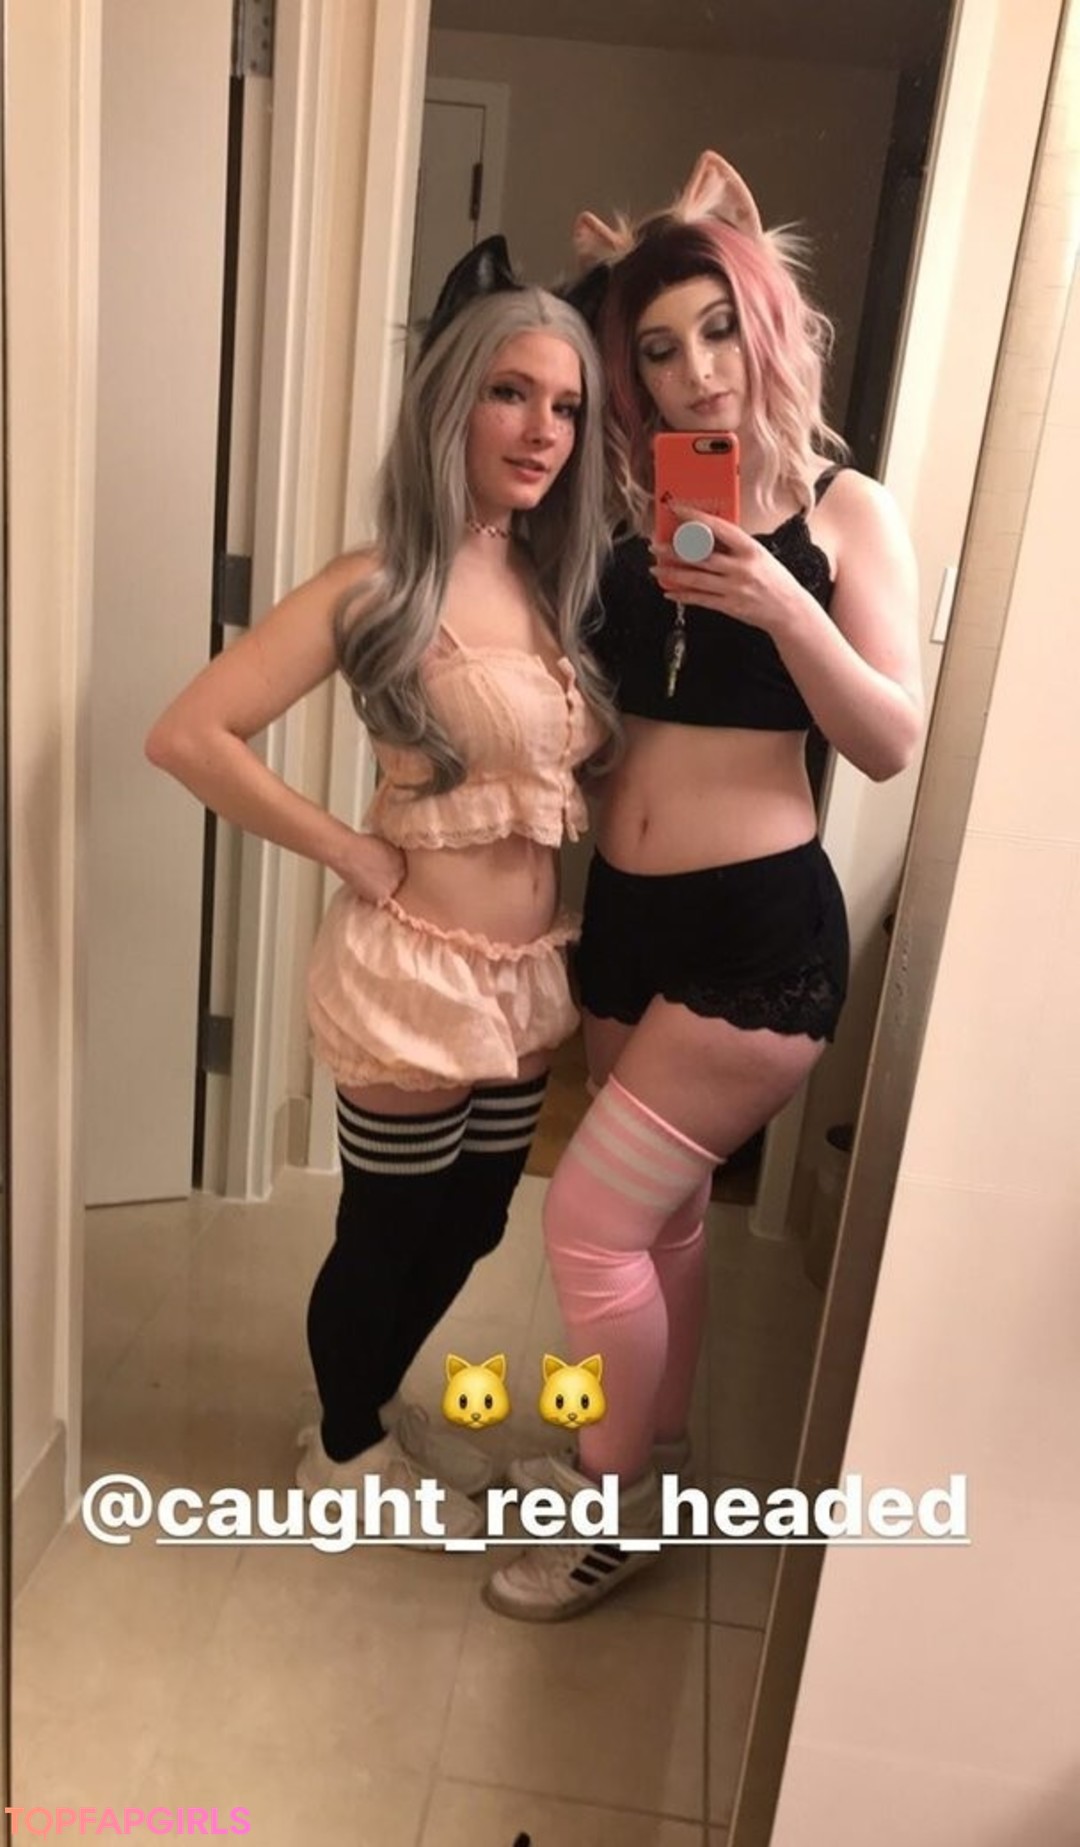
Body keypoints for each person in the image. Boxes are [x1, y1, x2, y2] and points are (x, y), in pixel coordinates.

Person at [486, 152, 923, 1617]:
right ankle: (652, 1461)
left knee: (588, 1224)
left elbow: (890, 741)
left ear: (769, 325)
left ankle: (610, 1511)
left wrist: (784, 600)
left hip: (755, 937)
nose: (696, 373)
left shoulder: (848, 513)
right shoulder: (625, 505)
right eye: (661, 349)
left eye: (719, 330)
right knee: (662, 1223)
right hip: (627, 916)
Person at [146, 239, 616, 1540]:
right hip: (411, 975)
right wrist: (346, 850)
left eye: (567, 404)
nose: (544, 429)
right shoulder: (378, 585)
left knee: (470, 1226)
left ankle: (365, 1400)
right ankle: (344, 1452)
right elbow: (189, 734)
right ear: (452, 402)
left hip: (522, 977)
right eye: (512, 393)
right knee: (387, 1233)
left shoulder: (555, 579)